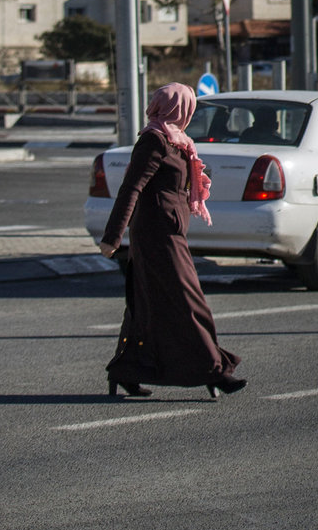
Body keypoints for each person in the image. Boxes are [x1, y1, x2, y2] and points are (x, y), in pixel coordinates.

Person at [98, 83, 245, 401]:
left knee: (146, 305)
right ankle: (216, 370)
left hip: (169, 233)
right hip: (156, 236)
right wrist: (112, 237)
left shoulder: (178, 142)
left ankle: (128, 369)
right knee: (188, 302)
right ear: (181, 109)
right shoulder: (154, 140)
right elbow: (131, 188)